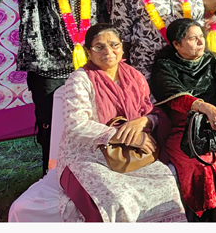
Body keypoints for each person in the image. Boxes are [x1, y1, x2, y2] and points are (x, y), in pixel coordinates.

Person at [0, 0, 108, 172]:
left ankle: (85, 177)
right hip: (47, 66)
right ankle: (52, 179)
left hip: (88, 65)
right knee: (52, 128)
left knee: (91, 124)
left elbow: (101, 17)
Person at [57, 24, 186, 222]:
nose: (108, 51)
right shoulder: (79, 80)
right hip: (88, 154)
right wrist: (127, 137)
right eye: (99, 47)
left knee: (165, 183)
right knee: (118, 199)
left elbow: (152, 110)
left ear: (122, 47)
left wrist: (143, 121)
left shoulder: (134, 75)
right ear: (88, 51)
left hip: (132, 153)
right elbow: (77, 124)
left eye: (113, 45)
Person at [150, 18, 216, 221]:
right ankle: (210, 214)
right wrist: (205, 107)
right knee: (201, 165)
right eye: (193, 38)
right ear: (176, 44)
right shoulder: (165, 66)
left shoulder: (210, 60)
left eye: (201, 36)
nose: (201, 42)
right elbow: (175, 96)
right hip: (185, 129)